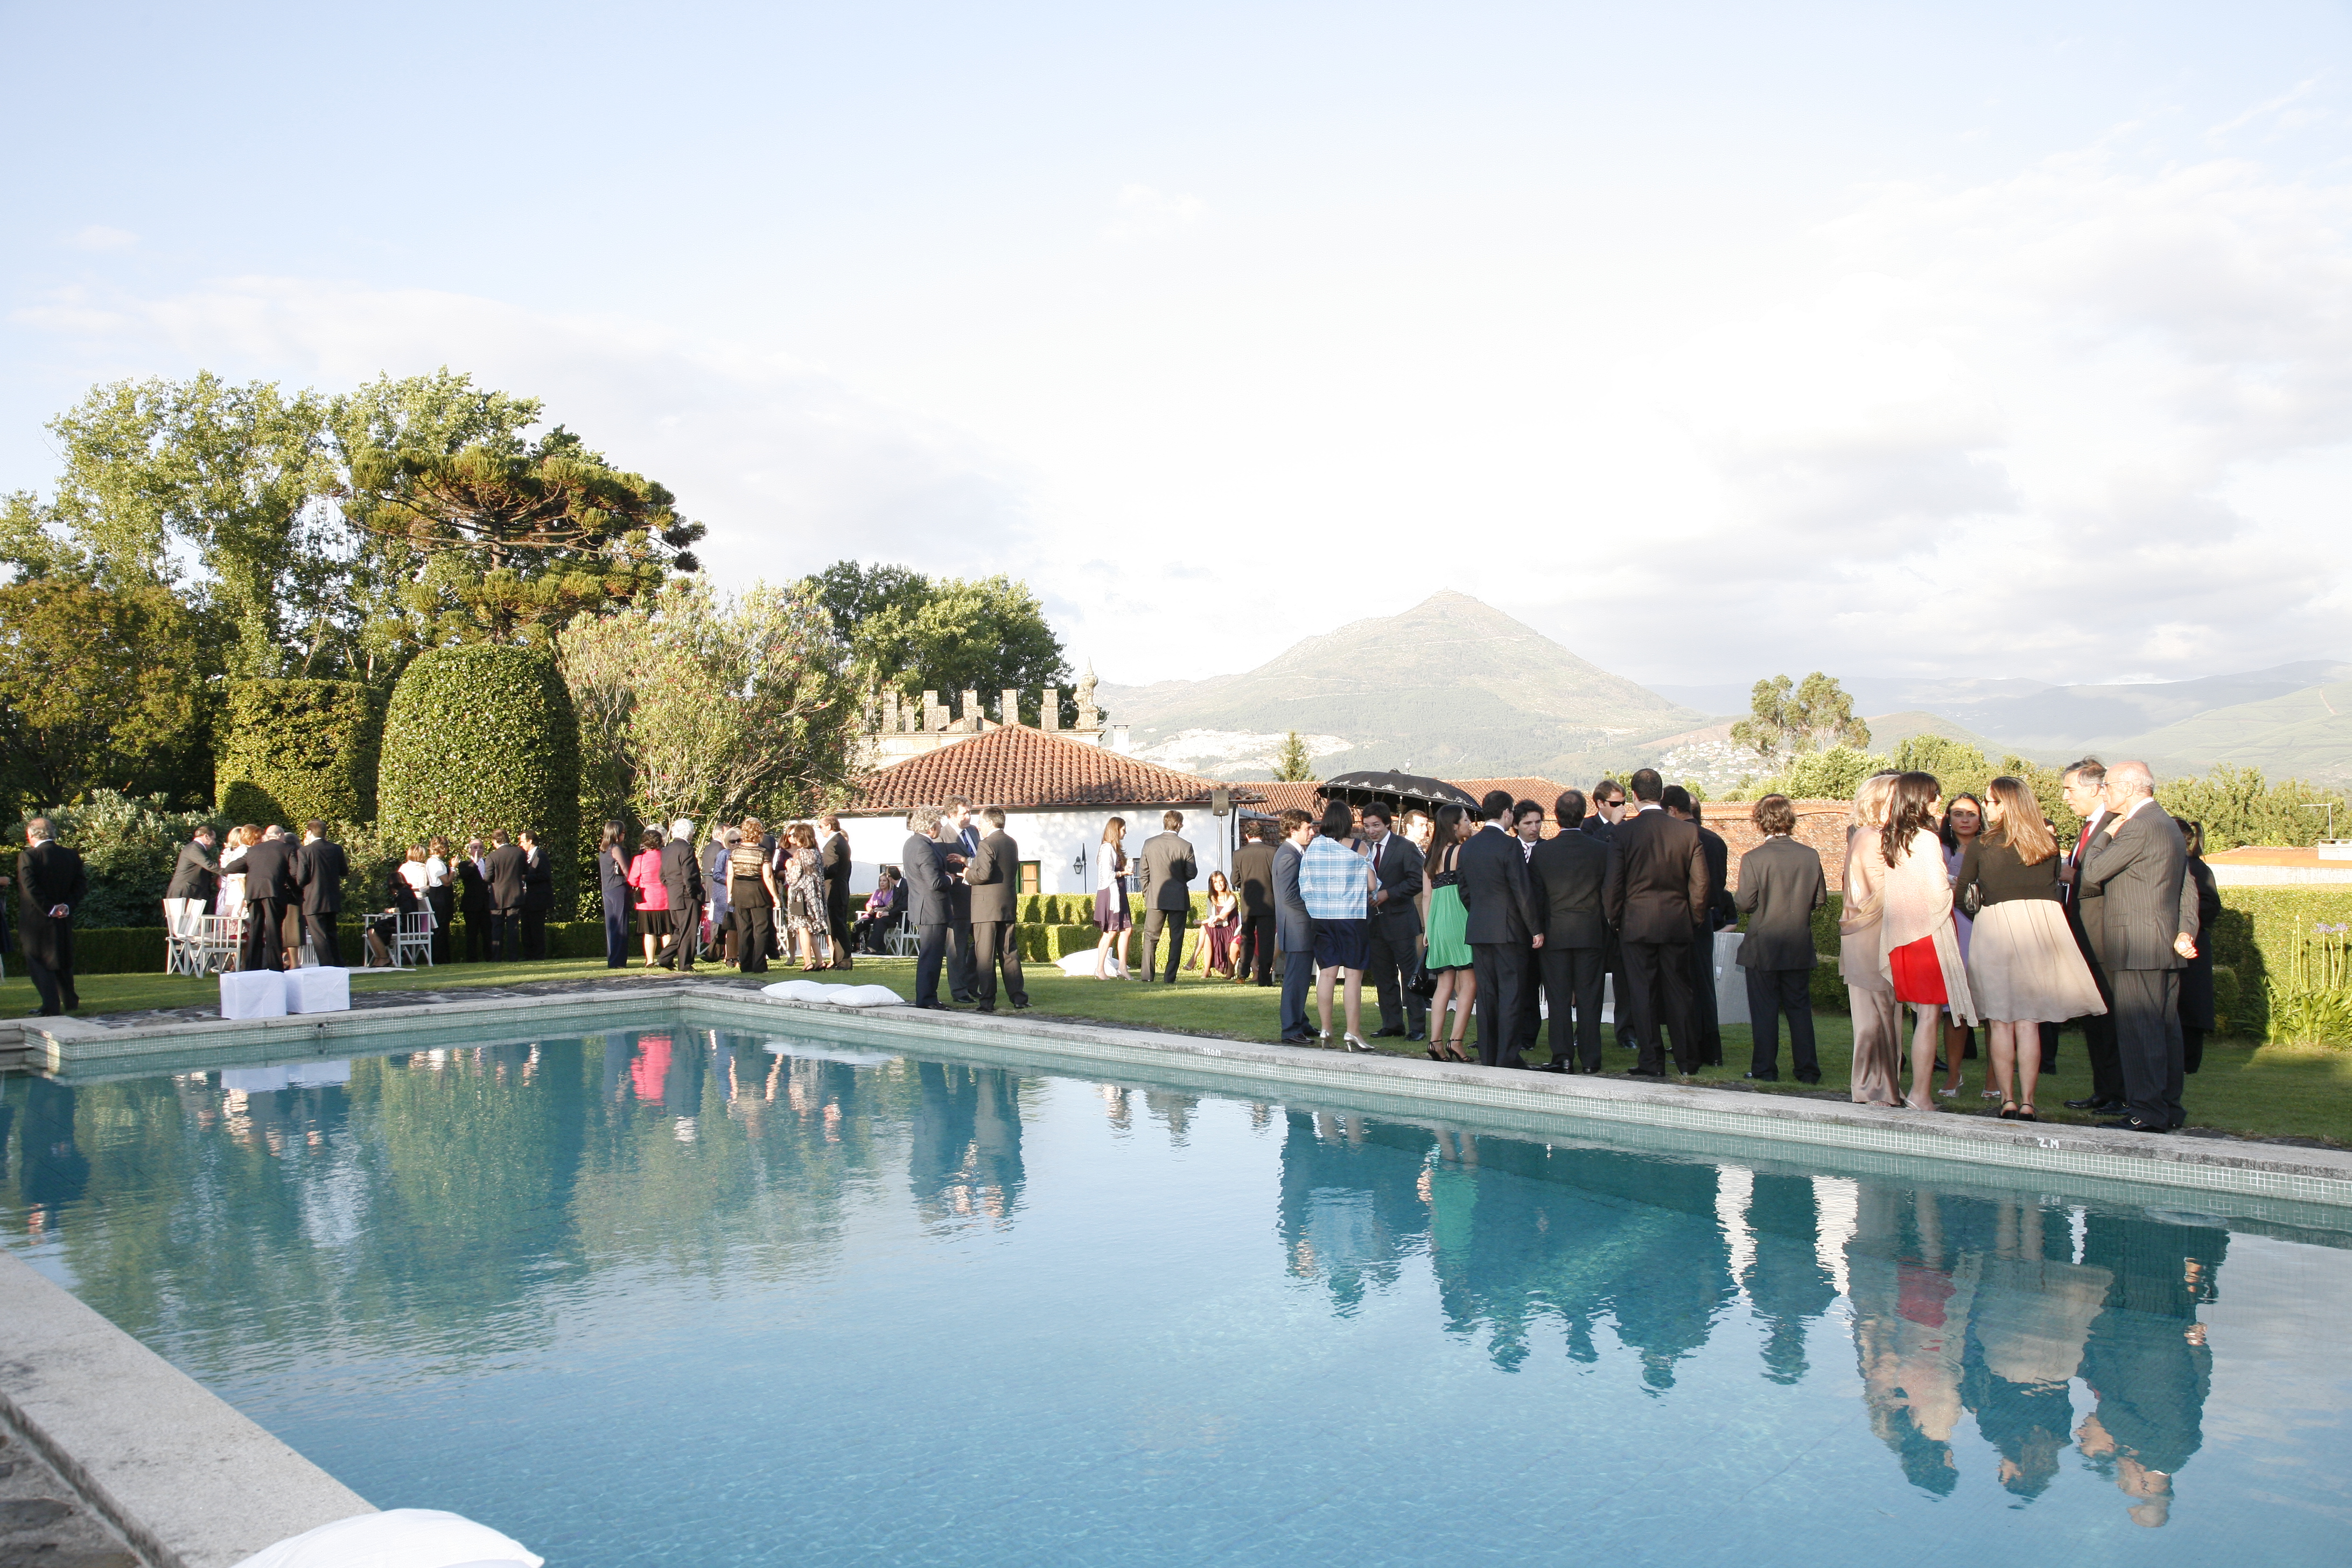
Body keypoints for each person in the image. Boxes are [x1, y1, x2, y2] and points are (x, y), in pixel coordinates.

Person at [1955, 775, 2105, 1122]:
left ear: (2006, 804)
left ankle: (2007, 1100)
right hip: (2041, 931)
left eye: (1990, 802)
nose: (1987, 808)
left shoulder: (1984, 844)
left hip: (1996, 930)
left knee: (2002, 1020)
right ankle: (2028, 1102)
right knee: (2028, 1022)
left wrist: (1986, 912)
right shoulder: (2048, 845)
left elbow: (1964, 895)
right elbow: (2055, 888)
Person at [2078, 761, 2200, 1132]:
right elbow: (2187, 888)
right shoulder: (2167, 824)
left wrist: (2106, 835)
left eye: (2110, 786)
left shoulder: (2138, 827)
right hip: (2162, 942)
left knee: (2139, 1031)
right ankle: (2167, 1109)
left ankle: (2146, 1112)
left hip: (2136, 944)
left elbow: (2093, 872)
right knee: (2165, 1031)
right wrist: (2185, 930)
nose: (2105, 792)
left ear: (2130, 789)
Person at [1879, 772, 1980, 1110]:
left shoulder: (1892, 837)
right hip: (1928, 938)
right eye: (1934, 796)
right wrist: (1957, 886)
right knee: (1930, 1017)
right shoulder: (1925, 839)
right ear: (1920, 798)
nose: (1939, 802)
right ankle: (1920, 1094)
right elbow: (1938, 891)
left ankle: (1916, 1091)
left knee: (1923, 1015)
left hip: (1902, 938)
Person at [1605, 769, 1704, 1079]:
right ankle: (1688, 1060)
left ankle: (1652, 1060)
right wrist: (1693, 920)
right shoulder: (1687, 833)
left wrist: (1617, 920)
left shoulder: (1623, 834)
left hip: (1636, 925)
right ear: (1661, 796)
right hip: (1677, 923)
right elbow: (1700, 886)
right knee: (1680, 992)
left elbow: (1613, 887)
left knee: (1642, 993)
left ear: (1633, 796)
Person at [1734, 795, 1825, 1083]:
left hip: (1763, 946)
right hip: (1798, 943)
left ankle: (1764, 1069)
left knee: (1764, 1011)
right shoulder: (1810, 855)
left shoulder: (1753, 859)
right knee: (1800, 1010)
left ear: (1761, 820)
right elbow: (1820, 899)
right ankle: (1808, 1070)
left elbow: (1745, 904)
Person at [2057, 758, 2126, 1115]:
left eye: (2070, 789)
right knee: (2096, 1021)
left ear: (2096, 789)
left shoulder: (2115, 825)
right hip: (2086, 938)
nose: (2065, 796)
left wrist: (2072, 877)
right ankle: (2104, 1090)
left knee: (2112, 1020)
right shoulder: (2091, 827)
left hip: (2104, 938)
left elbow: (2104, 879)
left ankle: (2120, 1093)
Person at [1458, 788, 1543, 1069]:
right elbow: (1523, 891)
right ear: (1507, 813)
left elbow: (1465, 891)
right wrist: (1535, 929)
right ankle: (1508, 1055)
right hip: (1509, 932)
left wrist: (1481, 914)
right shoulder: (1510, 846)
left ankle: (1489, 1053)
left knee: (1488, 996)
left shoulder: (1468, 846)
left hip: (1480, 929)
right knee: (1511, 995)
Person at [1529, 789, 1609, 1073]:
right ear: (1584, 813)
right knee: (1590, 998)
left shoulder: (1542, 853)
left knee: (1558, 999)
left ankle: (1562, 1056)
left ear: (1557, 816)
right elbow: (1609, 895)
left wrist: (1537, 930)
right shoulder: (1601, 850)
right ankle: (1590, 1060)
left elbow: (1535, 898)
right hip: (1590, 932)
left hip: (1555, 934)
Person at [1665, 786, 1732, 1068]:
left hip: (1681, 918)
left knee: (1681, 985)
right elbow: (1720, 886)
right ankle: (1712, 1049)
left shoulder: (1677, 839)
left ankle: (1688, 1045)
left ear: (1672, 811)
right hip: (1706, 920)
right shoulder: (1716, 840)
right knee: (1704, 983)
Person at [1300, 799, 1375, 1052]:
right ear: (1347, 822)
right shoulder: (1359, 848)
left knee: (1327, 974)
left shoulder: (1313, 848)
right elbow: (1372, 886)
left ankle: (1326, 1029)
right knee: (1353, 976)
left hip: (1322, 918)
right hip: (1352, 918)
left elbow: (1304, 885)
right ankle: (1353, 1032)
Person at [1358, 802, 1426, 1040]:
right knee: (1383, 976)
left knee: (1409, 975)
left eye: (1376, 825)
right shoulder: (1365, 850)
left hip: (1400, 922)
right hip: (1374, 924)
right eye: (1367, 826)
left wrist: (1390, 893)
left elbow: (1417, 880)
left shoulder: (1405, 848)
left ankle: (1417, 1027)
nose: (1371, 830)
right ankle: (1392, 1024)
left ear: (1387, 823)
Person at [1420, 804, 1476, 1062]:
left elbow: (1427, 896)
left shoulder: (1431, 856)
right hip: (1459, 917)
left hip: (1437, 922)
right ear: (1455, 825)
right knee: (1469, 983)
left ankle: (1435, 1042)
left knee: (1444, 983)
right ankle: (1456, 1040)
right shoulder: (1461, 851)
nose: (1469, 824)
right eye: (1466, 820)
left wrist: (1428, 929)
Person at [1585, 777, 1636, 1053]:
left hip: (1621, 914)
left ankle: (1626, 1031)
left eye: (1624, 803)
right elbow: (1591, 855)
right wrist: (1612, 826)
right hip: (1593, 914)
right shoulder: (1588, 827)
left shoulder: (1629, 829)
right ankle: (1586, 1031)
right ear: (1601, 804)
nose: (1622, 808)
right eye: (1616, 804)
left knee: (1625, 978)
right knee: (1589, 979)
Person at [1938, 794, 1985, 1095]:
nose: (1965, 819)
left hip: (1985, 928)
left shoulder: (1993, 847)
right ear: (1949, 818)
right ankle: (1954, 1076)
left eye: (1972, 813)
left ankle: (1995, 1081)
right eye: (1958, 813)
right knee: (1953, 1007)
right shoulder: (1939, 849)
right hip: (1950, 929)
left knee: (1992, 1008)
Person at [17, 818, 85, 1015]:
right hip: (64, 917)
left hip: (36, 920)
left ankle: (50, 1005)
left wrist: (50, 908)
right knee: (63, 959)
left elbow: (30, 888)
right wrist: (66, 906)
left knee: (39, 960)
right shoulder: (70, 855)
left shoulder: (29, 856)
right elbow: (80, 885)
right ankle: (71, 1001)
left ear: (31, 836)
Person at [966, 806, 1028, 1011]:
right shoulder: (1011, 842)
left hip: (985, 908)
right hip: (1007, 905)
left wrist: (967, 873)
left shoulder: (986, 844)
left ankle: (987, 1001)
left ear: (991, 823)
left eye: (981, 822)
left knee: (985, 955)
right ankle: (1018, 997)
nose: (979, 825)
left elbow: (982, 874)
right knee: (1009, 952)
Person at [2176, 818, 2221, 1076]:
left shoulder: (2197, 869)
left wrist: (2182, 923)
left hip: (2192, 946)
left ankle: (2188, 1062)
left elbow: (2210, 907)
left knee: (2190, 1006)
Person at [1270, 808, 1318, 1044]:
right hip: (1298, 927)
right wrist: (1316, 911)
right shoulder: (1289, 856)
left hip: (1297, 927)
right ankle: (1291, 1030)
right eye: (1308, 828)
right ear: (1293, 830)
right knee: (1295, 980)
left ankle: (1302, 1022)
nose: (1313, 832)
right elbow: (1290, 896)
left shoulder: (1293, 853)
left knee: (1299, 979)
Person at [1136, 810, 1198, 984]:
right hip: (1178, 897)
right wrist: (1179, 881)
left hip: (1155, 897)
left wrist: (1148, 892)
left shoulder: (1150, 843)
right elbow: (1192, 872)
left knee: (1150, 938)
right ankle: (1170, 977)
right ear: (1179, 825)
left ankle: (1147, 976)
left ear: (1165, 823)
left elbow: (1143, 872)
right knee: (1176, 938)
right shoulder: (1185, 845)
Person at [901, 805, 954, 1007]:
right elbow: (934, 883)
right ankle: (927, 998)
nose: (940, 828)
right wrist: (949, 879)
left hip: (922, 907)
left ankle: (926, 996)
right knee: (931, 957)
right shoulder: (924, 847)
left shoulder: (911, 843)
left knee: (929, 955)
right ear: (931, 827)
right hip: (932, 909)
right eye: (939, 824)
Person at [238, 824, 299, 973]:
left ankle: (252, 966)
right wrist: (297, 890)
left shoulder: (253, 850)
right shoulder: (287, 849)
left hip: (254, 893)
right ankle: (275, 966)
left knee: (256, 929)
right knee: (274, 929)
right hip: (274, 892)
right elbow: (295, 873)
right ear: (280, 835)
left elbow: (234, 867)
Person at [941, 797, 981, 1000]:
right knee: (957, 948)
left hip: (979, 898)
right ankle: (959, 991)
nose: (968, 816)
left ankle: (973, 984)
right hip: (956, 901)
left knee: (980, 944)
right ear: (950, 815)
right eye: (963, 813)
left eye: (969, 812)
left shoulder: (974, 832)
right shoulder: (942, 836)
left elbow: (982, 860)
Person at [728, 820, 780, 973]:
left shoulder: (735, 851)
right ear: (759, 833)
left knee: (744, 929)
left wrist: (729, 894)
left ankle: (746, 964)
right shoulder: (763, 852)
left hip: (739, 891)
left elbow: (730, 874)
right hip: (758, 891)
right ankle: (759, 964)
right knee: (761, 929)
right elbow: (768, 877)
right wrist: (775, 897)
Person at [295, 820, 348, 966]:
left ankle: (326, 965)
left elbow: (301, 878)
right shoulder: (336, 849)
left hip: (313, 899)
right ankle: (338, 964)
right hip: (332, 898)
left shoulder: (305, 851)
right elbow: (344, 871)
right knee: (331, 934)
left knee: (319, 936)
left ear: (309, 832)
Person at [1231, 821, 1277, 985]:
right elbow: (1277, 878)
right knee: (1267, 942)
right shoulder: (1273, 852)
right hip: (1269, 902)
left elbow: (1235, 879)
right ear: (1262, 834)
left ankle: (1242, 974)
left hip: (1248, 904)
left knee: (1246, 939)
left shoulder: (1239, 854)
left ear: (1246, 835)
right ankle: (1265, 978)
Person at [655, 818, 704, 971]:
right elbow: (689, 875)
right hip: (686, 895)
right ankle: (686, 964)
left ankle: (665, 958)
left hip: (673, 894)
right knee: (688, 930)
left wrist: (672, 887)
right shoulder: (686, 849)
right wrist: (693, 893)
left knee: (680, 930)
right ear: (689, 833)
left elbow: (662, 875)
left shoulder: (667, 849)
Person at [783, 823, 833, 971]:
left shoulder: (800, 853)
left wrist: (789, 867)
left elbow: (794, 878)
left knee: (803, 928)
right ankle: (819, 960)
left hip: (801, 896)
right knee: (811, 929)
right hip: (815, 896)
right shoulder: (817, 853)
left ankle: (808, 962)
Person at [1092, 817, 1132, 979]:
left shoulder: (1114, 849)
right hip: (1111, 893)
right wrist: (1124, 873)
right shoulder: (1107, 848)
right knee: (1110, 932)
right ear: (1116, 830)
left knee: (1127, 929)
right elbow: (1106, 875)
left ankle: (1122, 967)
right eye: (1123, 829)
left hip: (1119, 892)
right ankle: (1099, 968)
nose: (1125, 832)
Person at [163, 825, 220, 940]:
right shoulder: (195, 848)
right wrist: (229, 871)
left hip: (190, 890)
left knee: (188, 930)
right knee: (182, 930)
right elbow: (209, 865)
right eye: (213, 839)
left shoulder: (195, 848)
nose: (214, 843)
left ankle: (186, 954)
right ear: (206, 836)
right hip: (186, 891)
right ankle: (183, 956)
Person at [628, 828, 669, 965]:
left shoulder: (639, 859)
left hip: (646, 900)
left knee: (649, 932)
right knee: (666, 932)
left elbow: (632, 880)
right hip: (665, 899)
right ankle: (667, 959)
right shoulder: (666, 858)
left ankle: (650, 961)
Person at [485, 829, 527, 961]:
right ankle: (513, 956)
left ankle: (496, 957)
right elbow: (525, 871)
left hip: (498, 896)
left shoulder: (492, 856)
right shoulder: (519, 852)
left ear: (495, 841)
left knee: (497, 927)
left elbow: (488, 877)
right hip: (515, 894)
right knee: (513, 927)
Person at [820, 813, 855, 970]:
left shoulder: (833, 844)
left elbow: (831, 869)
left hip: (834, 889)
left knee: (837, 926)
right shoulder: (841, 842)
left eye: (822, 827)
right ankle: (839, 960)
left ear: (829, 826)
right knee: (836, 926)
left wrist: (817, 871)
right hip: (840, 889)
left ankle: (844, 961)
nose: (821, 831)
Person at [596, 822, 633, 969]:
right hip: (618, 888)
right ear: (616, 833)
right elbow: (626, 869)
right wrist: (634, 884)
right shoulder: (616, 849)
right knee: (621, 925)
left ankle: (613, 960)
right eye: (623, 832)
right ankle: (619, 961)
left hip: (607, 889)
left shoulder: (603, 848)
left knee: (611, 926)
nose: (624, 835)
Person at [1195, 870, 1240, 977]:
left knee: (1203, 927)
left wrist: (1201, 922)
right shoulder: (1211, 899)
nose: (1219, 884)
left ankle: (1194, 959)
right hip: (1217, 927)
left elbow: (1222, 917)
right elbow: (1211, 917)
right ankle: (1206, 970)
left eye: (1221, 881)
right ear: (1212, 884)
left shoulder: (1231, 898)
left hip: (1229, 929)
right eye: (1215, 882)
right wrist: (1210, 923)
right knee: (1206, 935)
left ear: (1225, 882)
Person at [519, 829, 554, 960]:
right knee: (526, 927)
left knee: (536, 928)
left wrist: (525, 877)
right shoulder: (525, 857)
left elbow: (545, 875)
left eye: (523, 842)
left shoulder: (541, 856)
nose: (521, 845)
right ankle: (527, 954)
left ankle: (539, 954)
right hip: (527, 898)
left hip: (538, 899)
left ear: (530, 841)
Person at [703, 824, 736, 964]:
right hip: (721, 893)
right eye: (733, 840)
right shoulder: (721, 851)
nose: (736, 843)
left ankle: (724, 954)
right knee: (722, 927)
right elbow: (716, 874)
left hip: (724, 893)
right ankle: (719, 954)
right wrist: (732, 880)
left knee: (726, 927)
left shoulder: (711, 848)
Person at [420, 836, 455, 963]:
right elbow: (446, 882)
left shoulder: (432, 862)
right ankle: (440, 958)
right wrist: (453, 868)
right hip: (440, 896)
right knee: (441, 928)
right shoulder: (436, 863)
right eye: (446, 847)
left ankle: (443, 956)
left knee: (442, 927)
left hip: (438, 895)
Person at [456, 838, 491, 961]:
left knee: (488, 933)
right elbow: (464, 875)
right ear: (470, 850)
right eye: (475, 847)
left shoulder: (488, 863)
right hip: (471, 904)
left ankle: (489, 957)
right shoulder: (465, 864)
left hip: (486, 904)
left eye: (480, 847)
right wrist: (474, 863)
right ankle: (472, 958)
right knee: (472, 934)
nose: (478, 850)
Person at [852, 869, 900, 954]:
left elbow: (890, 907)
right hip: (873, 914)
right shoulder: (877, 892)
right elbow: (869, 904)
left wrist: (879, 910)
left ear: (889, 882)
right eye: (880, 881)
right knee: (860, 924)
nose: (882, 883)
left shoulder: (893, 893)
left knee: (878, 922)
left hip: (885, 915)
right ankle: (856, 947)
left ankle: (873, 949)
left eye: (884, 881)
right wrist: (871, 910)